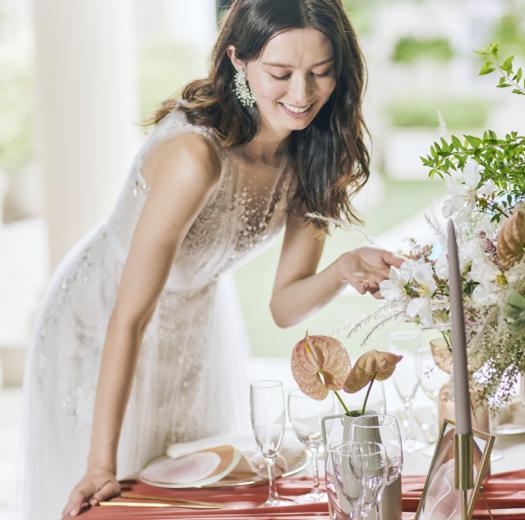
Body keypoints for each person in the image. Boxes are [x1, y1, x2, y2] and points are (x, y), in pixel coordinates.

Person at [13, 1, 402, 518]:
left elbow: (286, 307)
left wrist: (344, 268)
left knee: (194, 490)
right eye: (281, 74)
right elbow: (128, 317)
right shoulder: (195, 158)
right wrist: (100, 464)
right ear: (239, 62)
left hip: (197, 320)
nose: (303, 94)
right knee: (120, 486)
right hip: (102, 319)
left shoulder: (315, 154)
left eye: (321, 73)